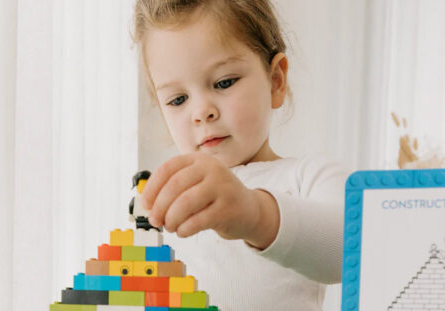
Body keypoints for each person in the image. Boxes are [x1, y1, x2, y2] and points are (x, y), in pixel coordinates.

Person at [132, 1, 348, 309]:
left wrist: (254, 215)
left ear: (276, 80)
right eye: (178, 99)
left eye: (223, 82)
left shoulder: (308, 176)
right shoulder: (162, 202)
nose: (201, 111)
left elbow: (348, 251)